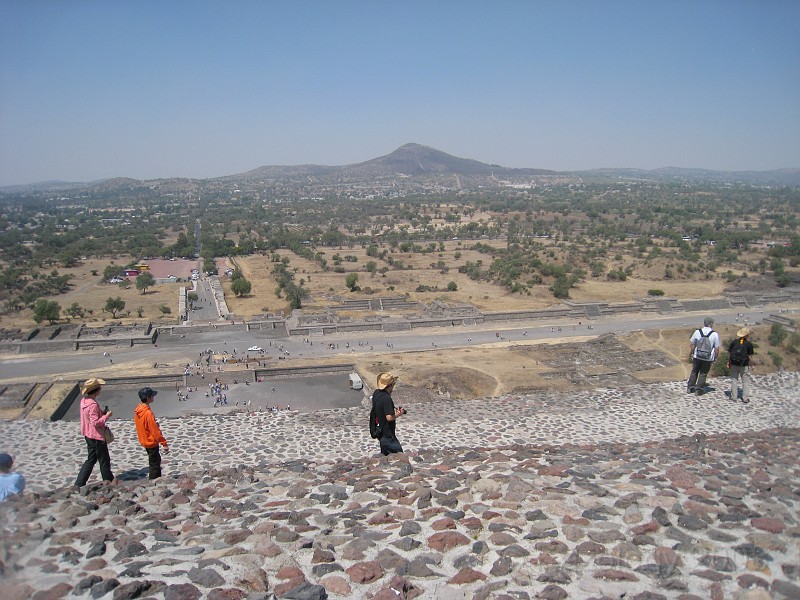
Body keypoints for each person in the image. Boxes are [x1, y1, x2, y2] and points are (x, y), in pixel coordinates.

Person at [75, 377, 115, 487]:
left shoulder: (84, 401)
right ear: (96, 391)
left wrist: (101, 413)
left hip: (88, 434)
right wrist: (106, 416)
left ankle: (79, 483)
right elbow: (95, 422)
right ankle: (109, 481)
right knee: (104, 460)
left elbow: (90, 417)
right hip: (96, 435)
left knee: (91, 459)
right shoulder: (92, 405)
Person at [134, 387, 169, 479]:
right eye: (152, 395)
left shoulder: (138, 409)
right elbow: (155, 431)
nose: (153, 397)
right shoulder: (148, 413)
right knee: (155, 464)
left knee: (153, 461)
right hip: (151, 441)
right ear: (148, 398)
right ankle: (154, 482)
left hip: (144, 439)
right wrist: (164, 443)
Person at [372, 372, 405, 456]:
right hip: (387, 434)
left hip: (379, 430)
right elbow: (389, 417)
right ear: (390, 386)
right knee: (399, 455)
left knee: (385, 455)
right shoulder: (386, 398)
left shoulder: (377, 393)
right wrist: (399, 413)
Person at [687, 317, 721, 396]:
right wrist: (715, 358)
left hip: (697, 355)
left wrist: (692, 353)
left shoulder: (697, 332)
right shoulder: (714, 334)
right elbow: (717, 349)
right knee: (703, 373)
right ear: (710, 324)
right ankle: (698, 389)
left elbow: (692, 344)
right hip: (707, 357)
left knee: (694, 371)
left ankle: (690, 387)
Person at [727, 327, 755, 404]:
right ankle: (745, 398)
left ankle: (734, 397)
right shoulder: (749, 344)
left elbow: (729, 352)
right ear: (747, 335)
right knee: (745, 381)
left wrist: (728, 362)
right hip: (744, 364)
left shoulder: (734, 342)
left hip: (734, 363)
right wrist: (752, 365)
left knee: (734, 379)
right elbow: (750, 356)